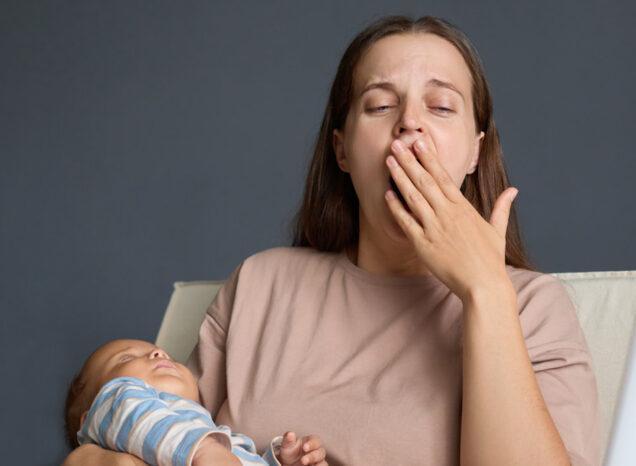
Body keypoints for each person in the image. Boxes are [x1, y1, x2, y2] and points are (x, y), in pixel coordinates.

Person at [63, 14, 601, 466]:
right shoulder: (259, 285)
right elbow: (143, 429)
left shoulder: (531, 308)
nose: (410, 125)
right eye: (380, 105)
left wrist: (484, 291)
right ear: (342, 151)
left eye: (440, 107)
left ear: (473, 152)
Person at [64, 339, 327, 466]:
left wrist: (281, 461)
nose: (158, 352)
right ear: (91, 420)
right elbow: (131, 414)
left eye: (162, 352)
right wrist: (202, 452)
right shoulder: (117, 403)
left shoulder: (218, 436)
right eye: (125, 359)